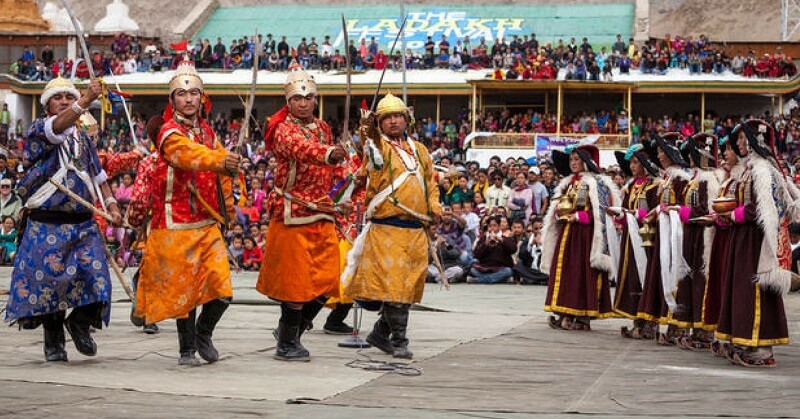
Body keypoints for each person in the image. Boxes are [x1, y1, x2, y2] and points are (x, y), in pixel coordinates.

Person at [5, 77, 122, 362]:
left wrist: (111, 204)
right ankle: (54, 343)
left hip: (82, 223)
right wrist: (84, 101)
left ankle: (80, 324)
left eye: (69, 98)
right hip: (46, 223)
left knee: (98, 280)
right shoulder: (39, 129)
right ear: (47, 105)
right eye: (59, 98)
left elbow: (99, 176)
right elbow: (57, 128)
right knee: (50, 289)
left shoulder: (83, 138)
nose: (65, 102)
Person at [135, 62, 240, 366]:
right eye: (182, 94)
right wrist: (221, 159)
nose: (189, 99)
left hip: (207, 221)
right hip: (175, 222)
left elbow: (221, 176)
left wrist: (228, 212)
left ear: (202, 97)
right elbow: (187, 156)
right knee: (185, 293)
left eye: (194, 93)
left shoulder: (208, 132)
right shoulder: (169, 133)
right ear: (173, 101)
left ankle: (203, 332)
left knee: (222, 289)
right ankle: (186, 349)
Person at [256, 62, 347, 362]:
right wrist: (328, 153)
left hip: (321, 209)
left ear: (316, 99)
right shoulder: (282, 129)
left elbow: (335, 165)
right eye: (298, 98)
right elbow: (299, 148)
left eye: (308, 98)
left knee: (329, 278)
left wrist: (348, 173)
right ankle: (287, 341)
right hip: (292, 209)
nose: (304, 103)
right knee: (295, 283)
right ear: (288, 101)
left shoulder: (323, 128)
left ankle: (290, 331)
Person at [342, 93, 441, 359]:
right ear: (380, 123)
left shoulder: (420, 150)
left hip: (416, 229)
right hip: (388, 228)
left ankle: (379, 334)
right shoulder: (379, 148)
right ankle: (399, 340)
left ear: (406, 119)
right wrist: (367, 128)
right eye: (387, 118)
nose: (394, 121)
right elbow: (369, 143)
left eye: (398, 116)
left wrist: (435, 210)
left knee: (408, 288)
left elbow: (430, 183)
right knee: (396, 286)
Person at [715, 120, 794, 367]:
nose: (738, 143)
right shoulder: (747, 169)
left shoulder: (762, 170)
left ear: (756, 141)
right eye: (737, 139)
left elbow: (764, 207)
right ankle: (743, 338)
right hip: (743, 237)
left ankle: (762, 347)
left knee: (754, 290)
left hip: (756, 239)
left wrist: (735, 214)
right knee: (741, 288)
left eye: (742, 139)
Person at [541, 144, 620, 330]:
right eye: (571, 160)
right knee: (566, 273)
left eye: (577, 159)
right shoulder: (568, 183)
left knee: (582, 274)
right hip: (567, 234)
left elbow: (603, 213)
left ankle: (583, 317)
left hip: (586, 237)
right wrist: (557, 214)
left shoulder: (597, 183)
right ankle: (564, 311)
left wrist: (578, 216)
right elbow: (558, 206)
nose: (573, 163)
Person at [636, 133, 693, 342]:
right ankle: (664, 323)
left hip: (675, 237)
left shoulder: (680, 179)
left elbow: (683, 207)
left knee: (675, 276)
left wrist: (664, 210)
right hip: (663, 234)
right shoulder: (667, 179)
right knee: (661, 276)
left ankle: (676, 326)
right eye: (658, 151)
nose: (659, 155)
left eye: (662, 151)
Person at [667, 133, 719, 350]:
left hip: (701, 236)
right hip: (690, 235)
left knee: (700, 282)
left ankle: (704, 331)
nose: (688, 157)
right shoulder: (694, 179)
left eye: (692, 153)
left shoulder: (709, 179)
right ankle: (691, 325)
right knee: (689, 282)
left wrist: (682, 210)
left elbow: (708, 209)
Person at [612, 144, 661, 339]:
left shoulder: (654, 185)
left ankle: (650, 321)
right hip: (630, 239)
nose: (632, 166)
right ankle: (637, 320)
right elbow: (625, 209)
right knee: (633, 276)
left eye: (635, 162)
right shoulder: (631, 186)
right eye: (630, 163)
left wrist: (638, 214)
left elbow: (654, 211)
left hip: (647, 239)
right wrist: (619, 216)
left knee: (646, 276)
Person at [704, 134, 743, 354]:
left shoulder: (740, 178)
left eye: (729, 149)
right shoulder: (728, 179)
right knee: (720, 283)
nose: (725, 153)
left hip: (732, 236)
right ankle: (723, 333)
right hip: (721, 235)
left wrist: (726, 216)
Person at [470, 215, 516, 283]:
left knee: (508, 271)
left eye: (495, 226)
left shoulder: (506, 238)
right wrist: (485, 244)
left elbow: (513, 249)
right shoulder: (483, 239)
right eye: (490, 226)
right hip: (485, 268)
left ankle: (480, 280)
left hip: (500, 267)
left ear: (499, 227)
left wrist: (500, 239)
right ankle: (499, 279)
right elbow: (476, 254)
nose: (492, 228)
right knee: (473, 270)